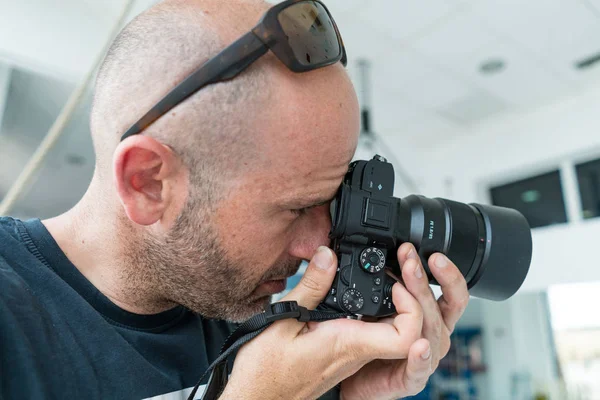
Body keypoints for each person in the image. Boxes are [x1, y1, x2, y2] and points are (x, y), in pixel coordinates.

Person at [0, 0, 470, 399]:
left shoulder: (245, 319)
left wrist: (343, 392)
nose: (319, 246)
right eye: (295, 208)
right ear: (148, 183)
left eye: (331, 202)